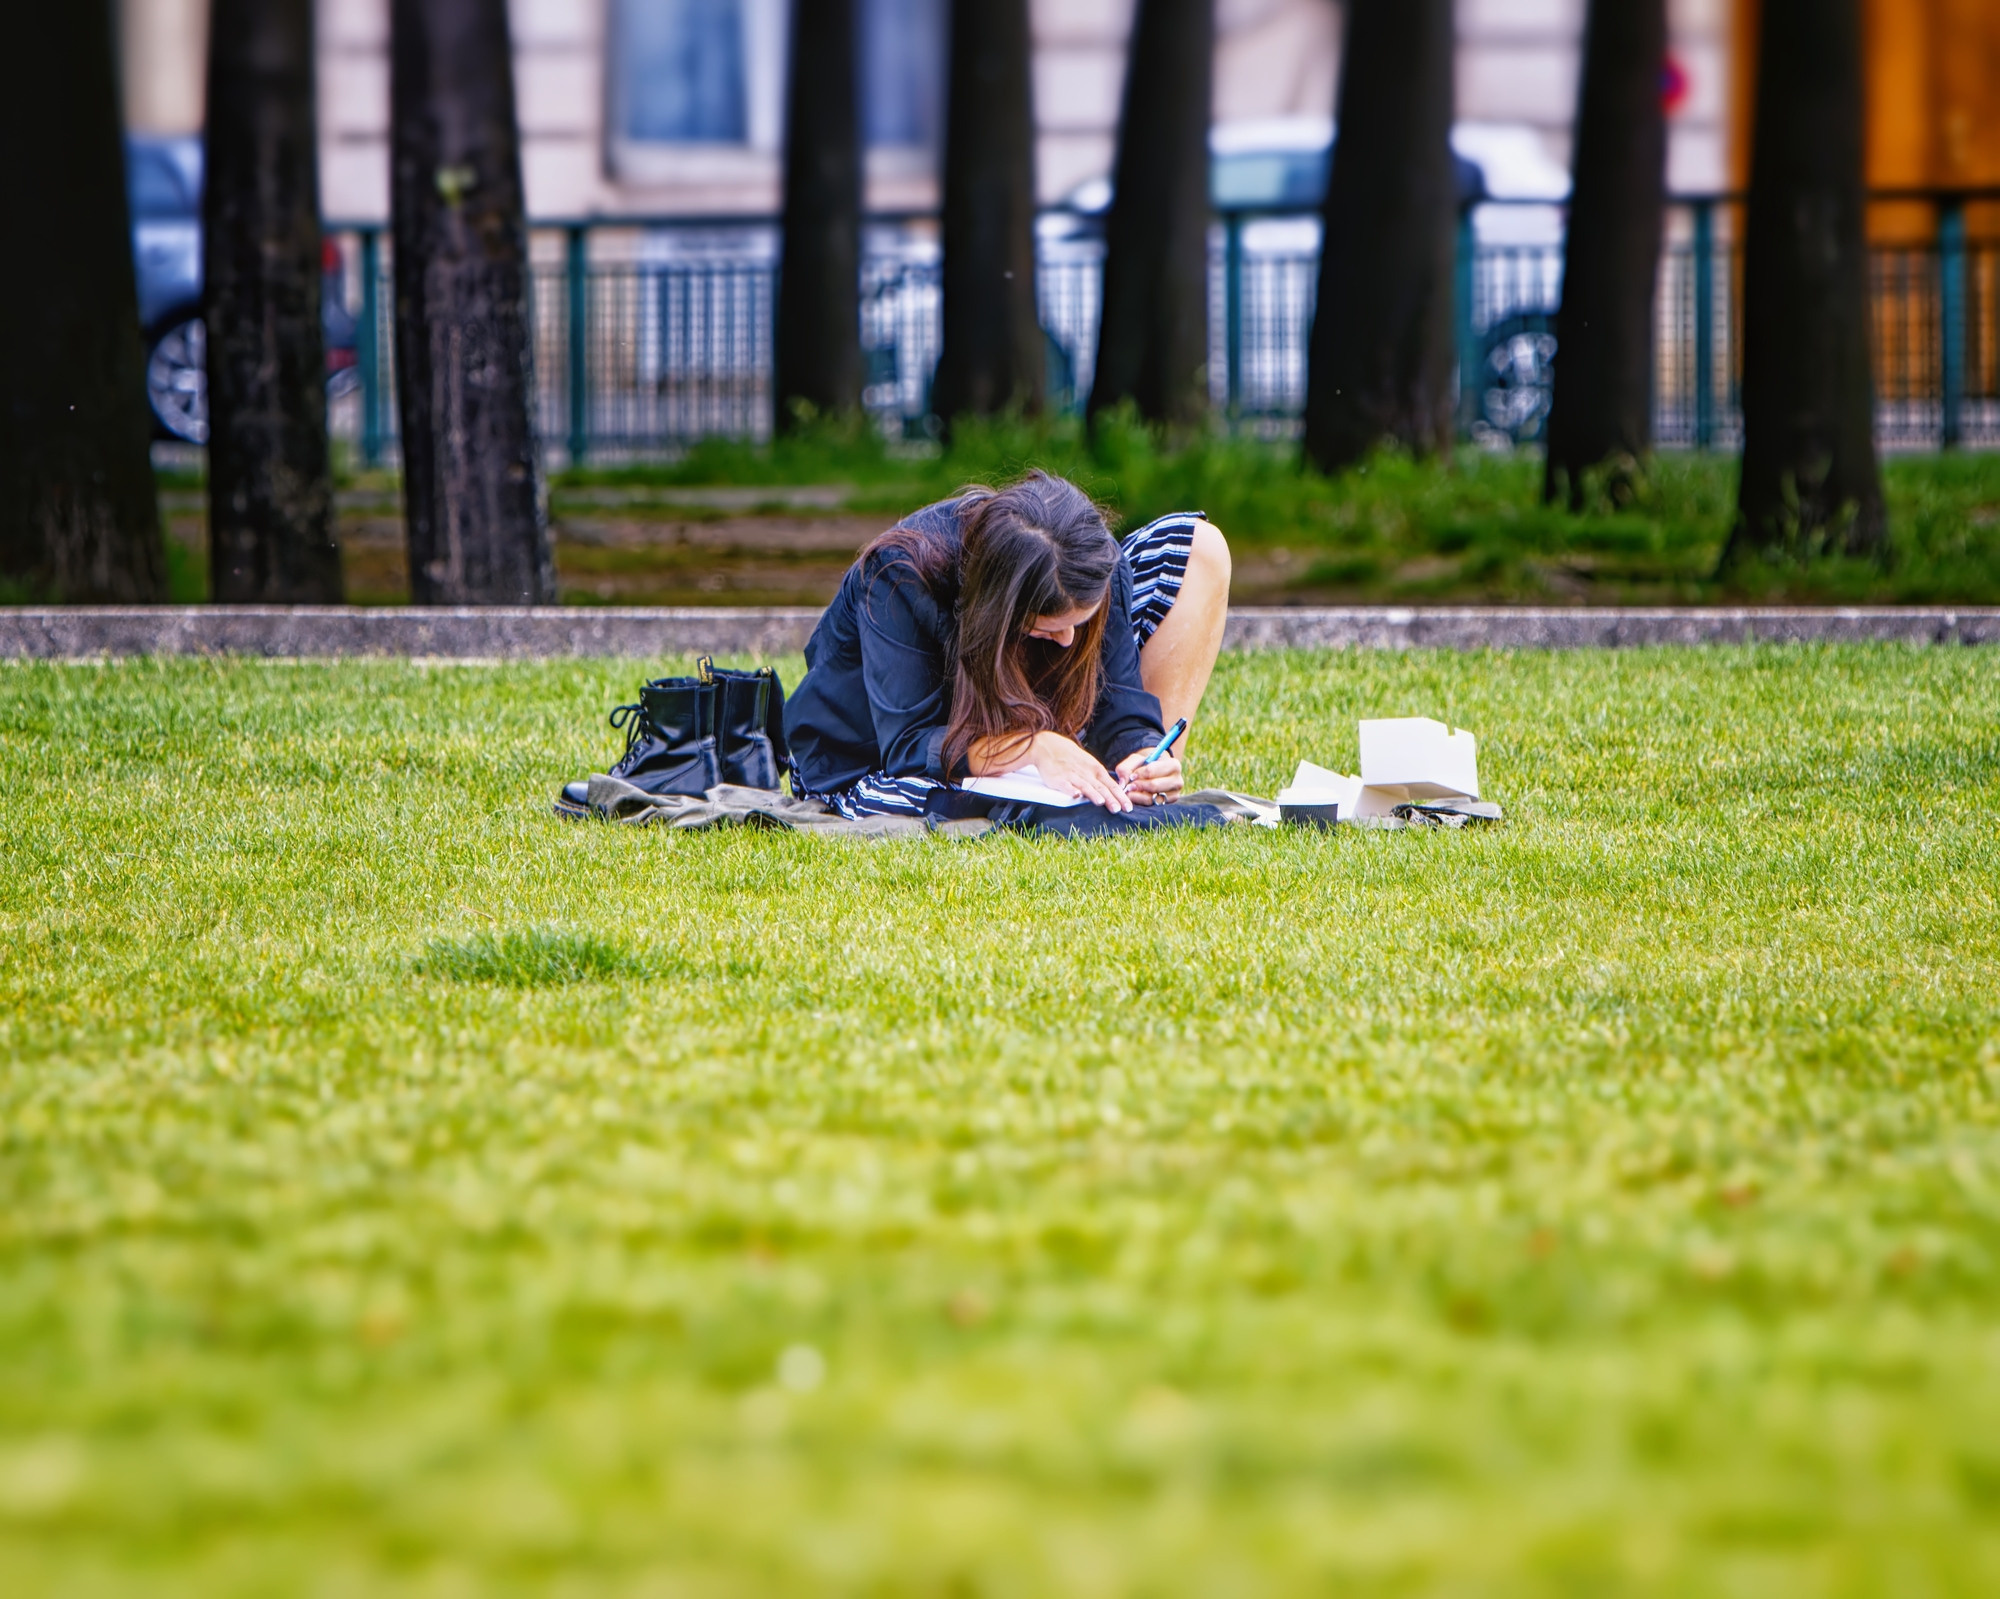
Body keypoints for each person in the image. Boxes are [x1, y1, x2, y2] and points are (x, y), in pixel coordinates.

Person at [784, 470, 1231, 819]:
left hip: (1014, 734)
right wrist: (1033, 749)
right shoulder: (900, 575)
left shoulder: (1093, 565)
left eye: (1081, 622)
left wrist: (1144, 752)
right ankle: (1059, 773)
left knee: (1198, 544)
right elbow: (908, 747)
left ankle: (1132, 791)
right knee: (948, 805)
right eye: (1048, 628)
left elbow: (1121, 706)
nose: (1069, 640)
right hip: (873, 756)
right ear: (1000, 610)